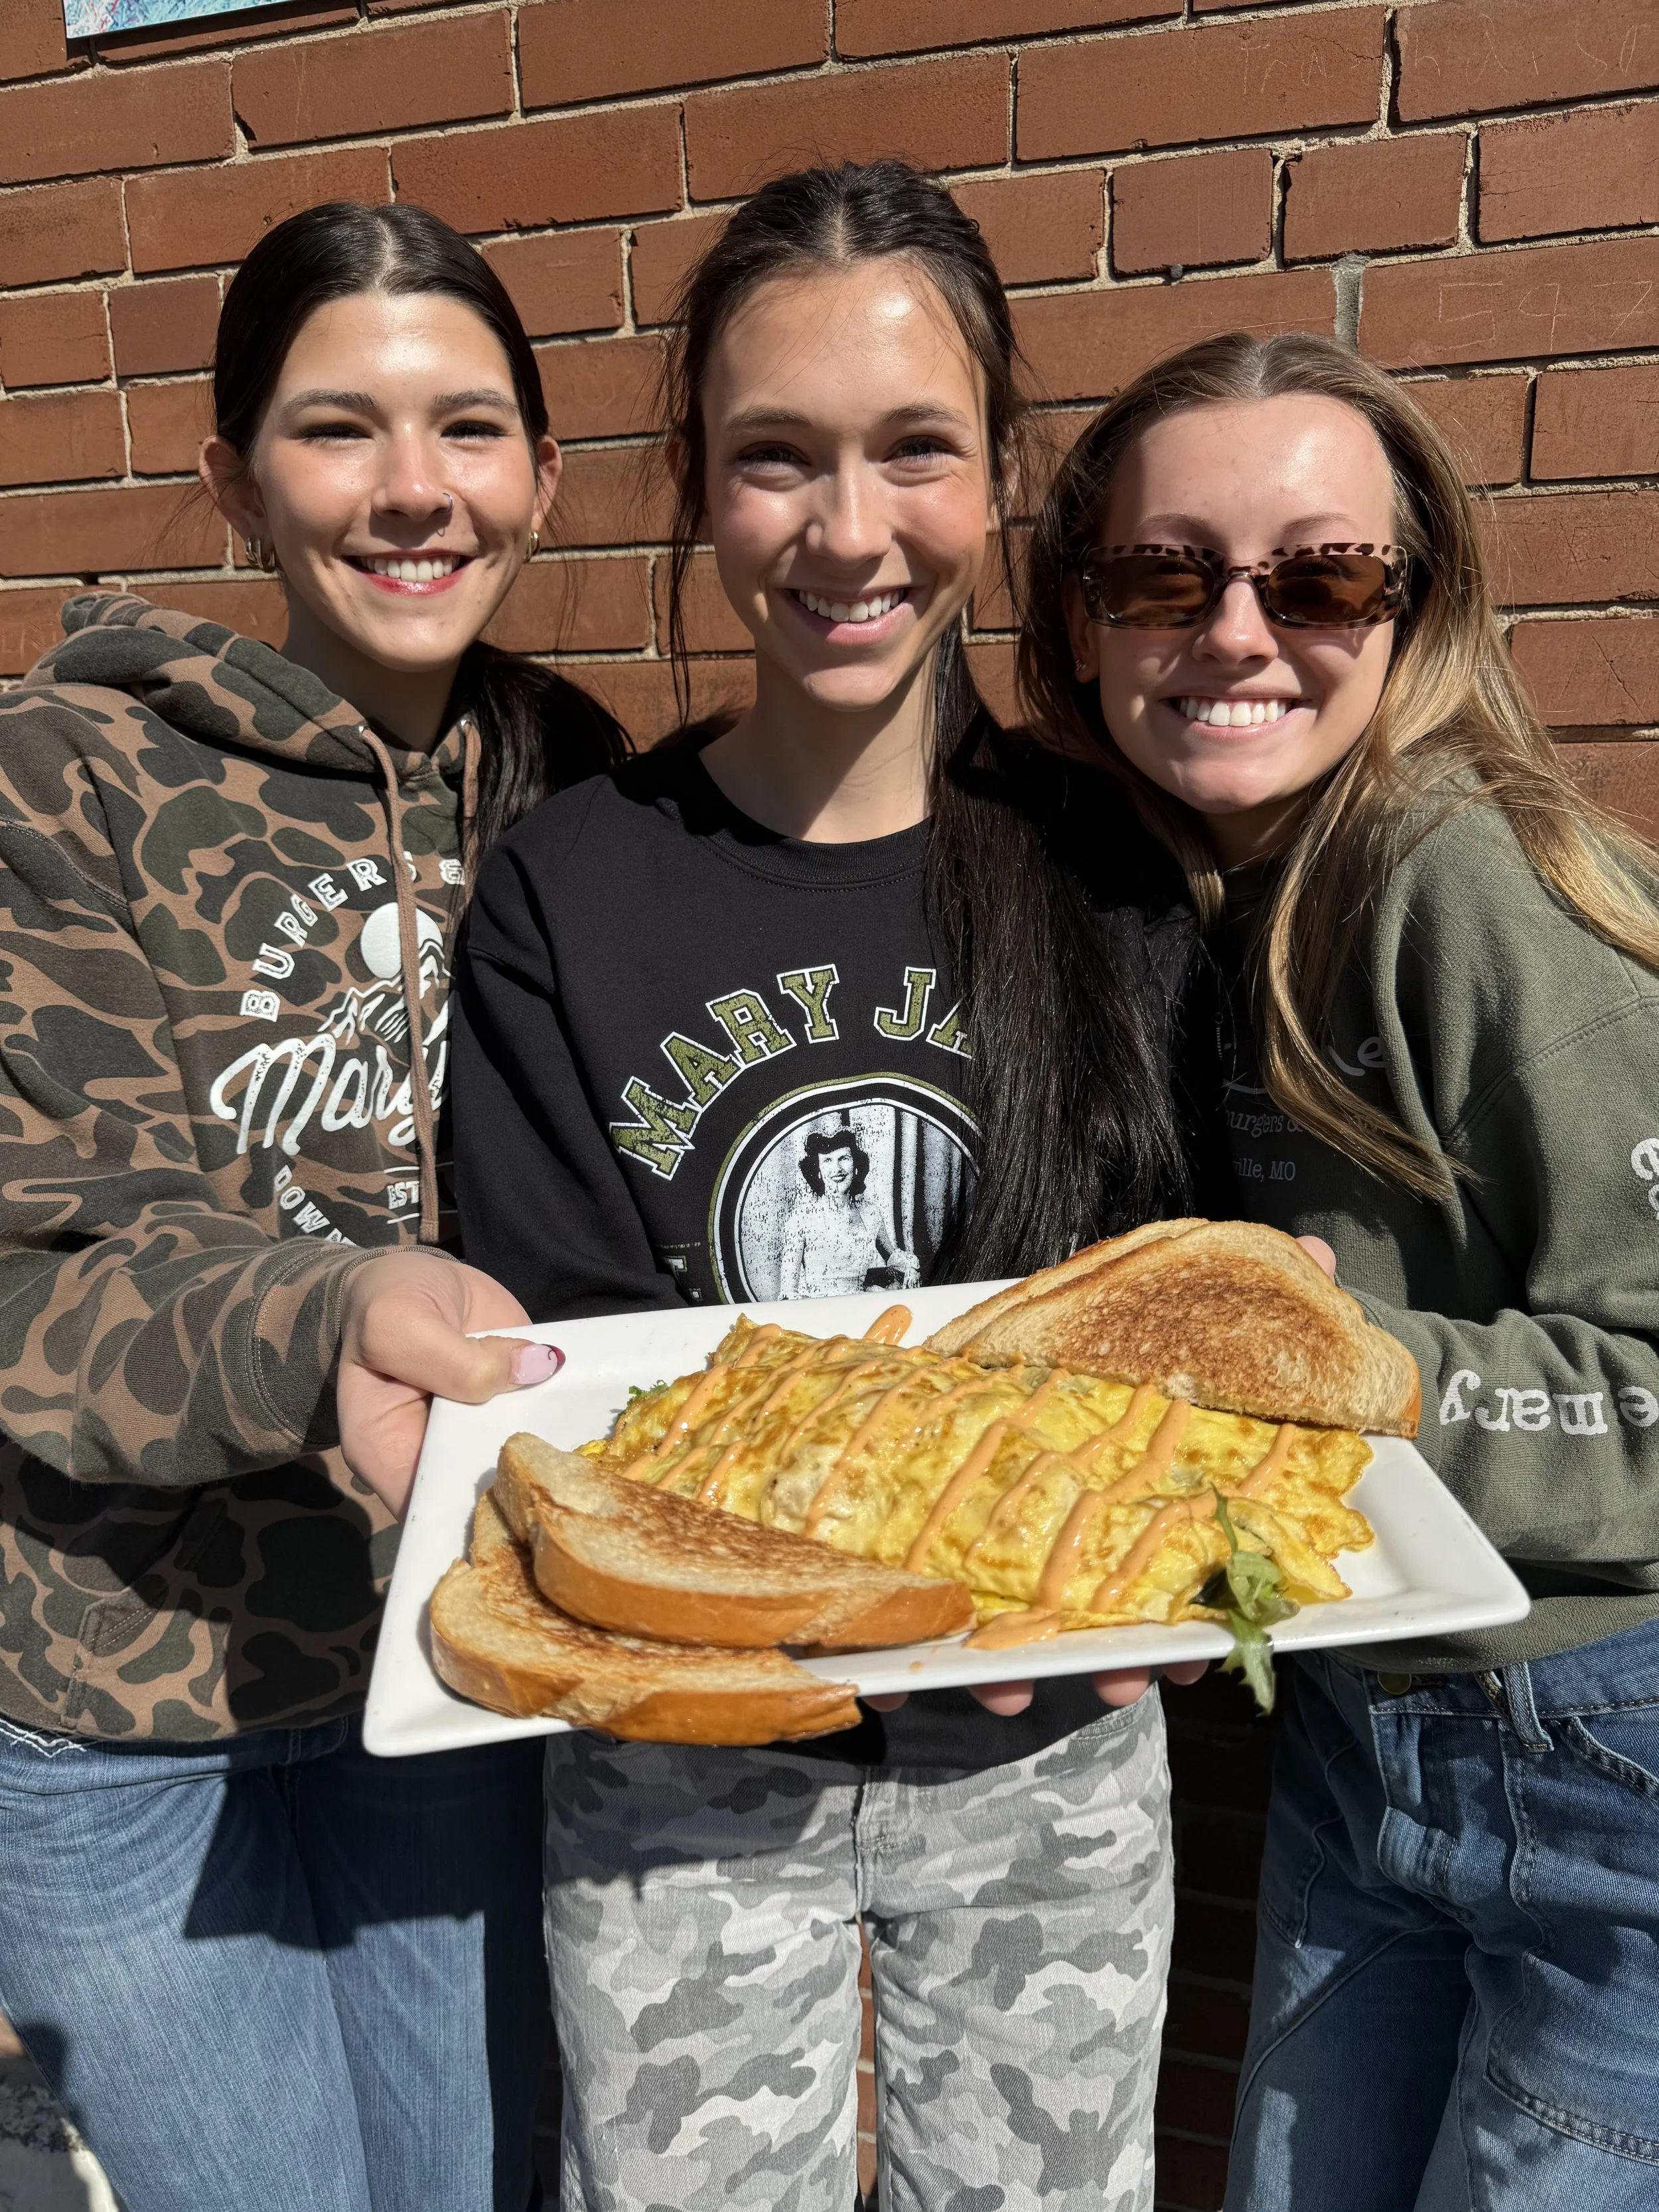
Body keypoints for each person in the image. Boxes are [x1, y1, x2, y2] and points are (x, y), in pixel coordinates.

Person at [452, 161, 1212, 2212]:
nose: (845, 528)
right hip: (680, 1752)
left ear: (996, 478)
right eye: (776, 457)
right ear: (697, 481)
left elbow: (1158, 1326)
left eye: (911, 452)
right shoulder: (570, 888)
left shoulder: (1113, 863)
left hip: (1049, 1729)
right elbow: (577, 1374)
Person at [0, 200, 626, 2212]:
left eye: (466, 429)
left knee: (471, 2182)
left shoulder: (577, 783)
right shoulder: (66, 774)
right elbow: (45, 1266)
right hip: (123, 1701)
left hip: (444, 1660)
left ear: (543, 469)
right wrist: (328, 1316)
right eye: (337, 429)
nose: (412, 491)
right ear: (231, 480)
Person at [1021, 329, 1659, 2212]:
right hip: (1362, 1716)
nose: (1235, 628)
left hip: (1600, 1740)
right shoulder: (1199, 889)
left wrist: (1351, 1362)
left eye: (1319, 575)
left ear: (1411, 607)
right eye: (1161, 572)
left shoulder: (1463, 874)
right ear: (1079, 619)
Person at [776, 1125, 921, 1297]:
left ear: (856, 1166)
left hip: (862, 1303)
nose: (837, 1169)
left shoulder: (871, 1213)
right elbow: (788, 1292)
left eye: (843, 1158)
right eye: (828, 1161)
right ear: (819, 1172)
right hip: (818, 1308)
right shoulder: (799, 1219)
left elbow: (891, 1256)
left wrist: (911, 1266)